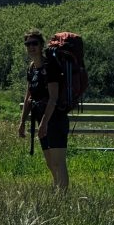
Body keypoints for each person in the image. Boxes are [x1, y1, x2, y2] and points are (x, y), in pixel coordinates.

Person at [17, 29, 69, 189]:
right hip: (41, 120)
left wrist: (44, 123)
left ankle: (63, 197)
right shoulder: (31, 68)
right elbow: (28, 98)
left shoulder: (50, 67)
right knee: (49, 162)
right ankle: (57, 191)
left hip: (55, 119)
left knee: (58, 162)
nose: (31, 47)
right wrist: (22, 122)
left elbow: (53, 98)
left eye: (34, 43)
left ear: (41, 45)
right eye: (28, 44)